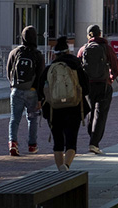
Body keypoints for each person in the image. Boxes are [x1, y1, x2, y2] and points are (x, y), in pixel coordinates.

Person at [38, 36, 90, 171]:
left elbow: (40, 90)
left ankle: (59, 170)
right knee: (71, 141)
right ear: (68, 52)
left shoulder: (49, 69)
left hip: (53, 110)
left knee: (58, 141)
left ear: (54, 54)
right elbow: (86, 89)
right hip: (74, 108)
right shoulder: (76, 66)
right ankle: (66, 166)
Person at [77, 24, 118, 155]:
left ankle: (92, 139)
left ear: (88, 35)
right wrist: (111, 77)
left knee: (91, 113)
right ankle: (94, 143)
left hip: (88, 85)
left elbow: (78, 66)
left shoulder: (83, 49)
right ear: (100, 34)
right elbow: (115, 65)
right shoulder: (106, 48)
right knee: (100, 114)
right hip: (103, 84)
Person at [6, 26, 45, 155]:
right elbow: (40, 78)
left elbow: (8, 71)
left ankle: (13, 143)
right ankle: (32, 145)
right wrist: (40, 97)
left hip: (16, 90)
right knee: (32, 119)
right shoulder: (38, 55)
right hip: (32, 91)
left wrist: (13, 86)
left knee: (14, 119)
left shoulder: (15, 52)